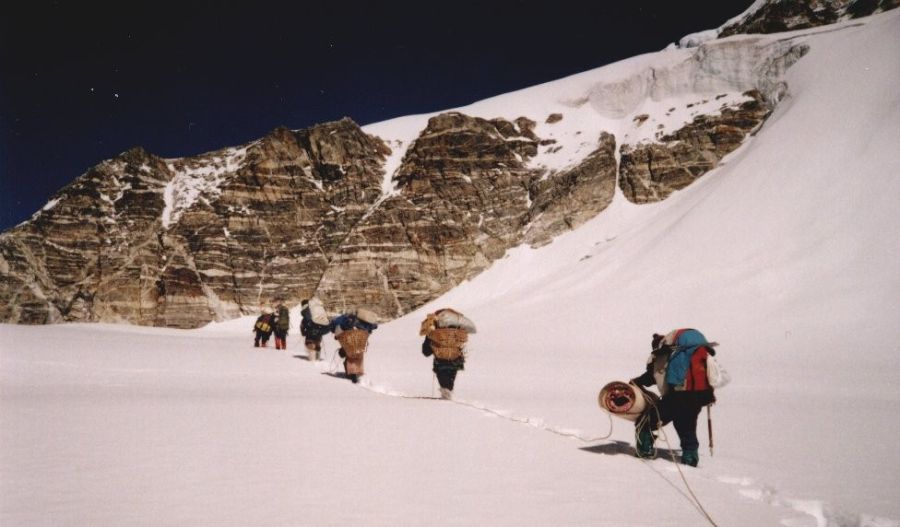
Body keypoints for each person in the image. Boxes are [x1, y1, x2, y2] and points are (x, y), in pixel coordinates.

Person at [630, 329, 717, 467]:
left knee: (646, 420)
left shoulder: (664, 355)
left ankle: (644, 451)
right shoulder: (686, 353)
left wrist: (636, 382)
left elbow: (652, 376)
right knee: (687, 426)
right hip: (697, 396)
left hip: (676, 396)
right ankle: (690, 458)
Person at [420, 308, 476, 400]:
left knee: (444, 382)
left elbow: (426, 351)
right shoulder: (458, 330)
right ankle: (447, 395)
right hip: (456, 360)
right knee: (449, 382)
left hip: (440, 362)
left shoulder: (433, 333)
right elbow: (462, 344)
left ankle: (446, 398)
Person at [331, 308, 378, 383]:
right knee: (359, 353)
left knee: (350, 353)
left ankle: (352, 373)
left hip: (349, 336)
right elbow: (375, 326)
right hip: (361, 337)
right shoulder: (361, 320)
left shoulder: (346, 318)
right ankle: (358, 372)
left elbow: (335, 324)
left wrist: (336, 333)